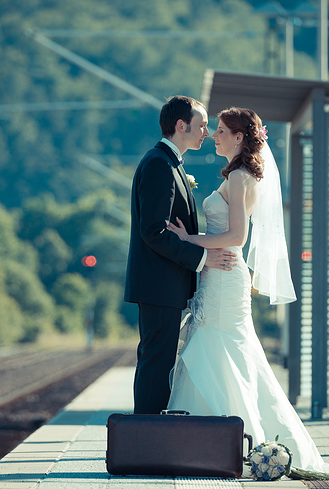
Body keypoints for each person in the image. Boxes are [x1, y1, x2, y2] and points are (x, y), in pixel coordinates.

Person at [166, 107, 329, 475]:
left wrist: (187, 239)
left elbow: (236, 238)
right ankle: (208, 444)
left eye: (221, 130)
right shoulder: (234, 175)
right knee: (223, 351)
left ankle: (236, 441)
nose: (214, 135)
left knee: (223, 349)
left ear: (240, 137)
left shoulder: (243, 177)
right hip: (218, 275)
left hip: (226, 276)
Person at [124, 95, 238, 415]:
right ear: (180, 125)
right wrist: (202, 260)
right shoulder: (160, 164)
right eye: (202, 125)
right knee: (156, 363)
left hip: (163, 285)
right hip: (159, 286)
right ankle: (145, 442)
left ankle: (150, 440)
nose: (206, 132)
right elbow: (154, 232)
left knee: (158, 362)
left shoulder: (168, 162)